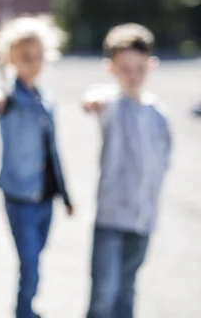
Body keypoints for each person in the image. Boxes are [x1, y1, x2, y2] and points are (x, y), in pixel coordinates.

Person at [0, 16, 73, 318]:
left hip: (47, 196)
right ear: (11, 58)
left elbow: (53, 152)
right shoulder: (9, 96)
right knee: (30, 265)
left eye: (38, 57)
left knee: (37, 259)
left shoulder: (46, 99)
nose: (32, 63)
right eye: (24, 57)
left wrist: (67, 195)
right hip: (20, 198)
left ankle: (28, 307)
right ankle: (23, 312)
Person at [83, 24, 171, 318]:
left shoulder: (158, 113)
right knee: (103, 295)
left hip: (143, 220)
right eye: (125, 69)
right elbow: (100, 99)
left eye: (139, 68)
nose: (133, 75)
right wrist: (94, 99)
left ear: (151, 65)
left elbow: (162, 161)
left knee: (127, 290)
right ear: (111, 69)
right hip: (111, 218)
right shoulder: (113, 105)